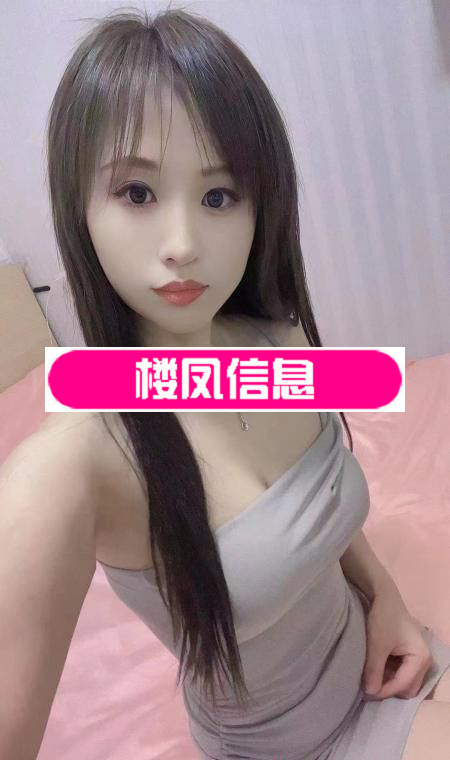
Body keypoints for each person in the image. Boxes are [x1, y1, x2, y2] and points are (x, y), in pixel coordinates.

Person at [1, 7, 450, 760]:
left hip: (383, 656)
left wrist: (387, 601)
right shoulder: (72, 460)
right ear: (78, 206)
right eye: (136, 193)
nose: (182, 245)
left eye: (218, 197)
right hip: (293, 744)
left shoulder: (276, 340)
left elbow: (323, 505)